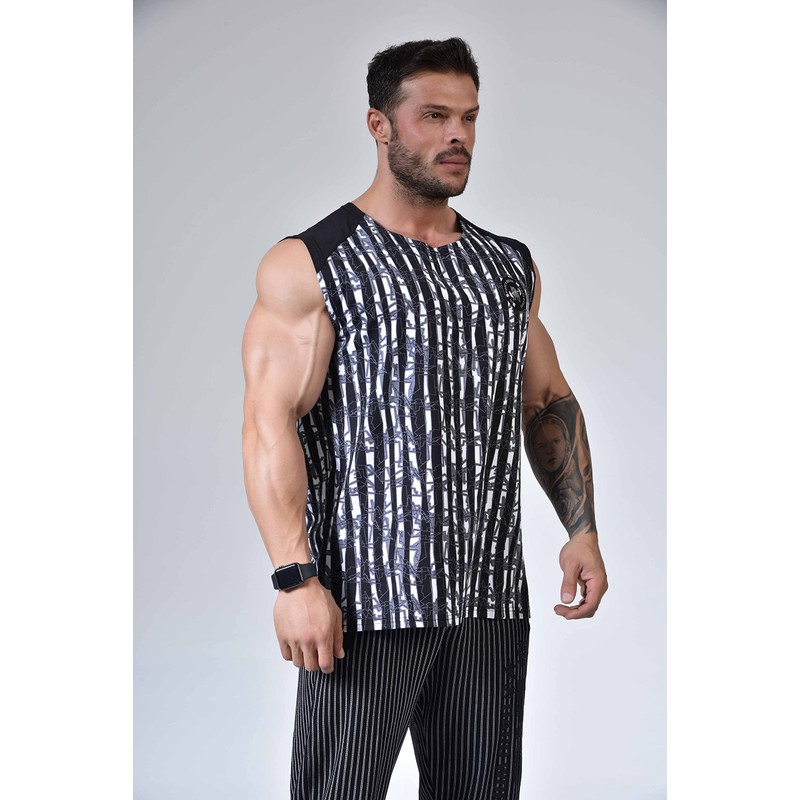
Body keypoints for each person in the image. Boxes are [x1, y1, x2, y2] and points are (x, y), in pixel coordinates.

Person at [241, 37, 608, 800]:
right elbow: (268, 422)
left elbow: (546, 399)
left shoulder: (507, 267)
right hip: (365, 600)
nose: (457, 135)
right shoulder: (313, 263)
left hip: (487, 596)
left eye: (469, 118)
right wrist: (294, 578)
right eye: (434, 116)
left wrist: (582, 531)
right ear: (379, 125)